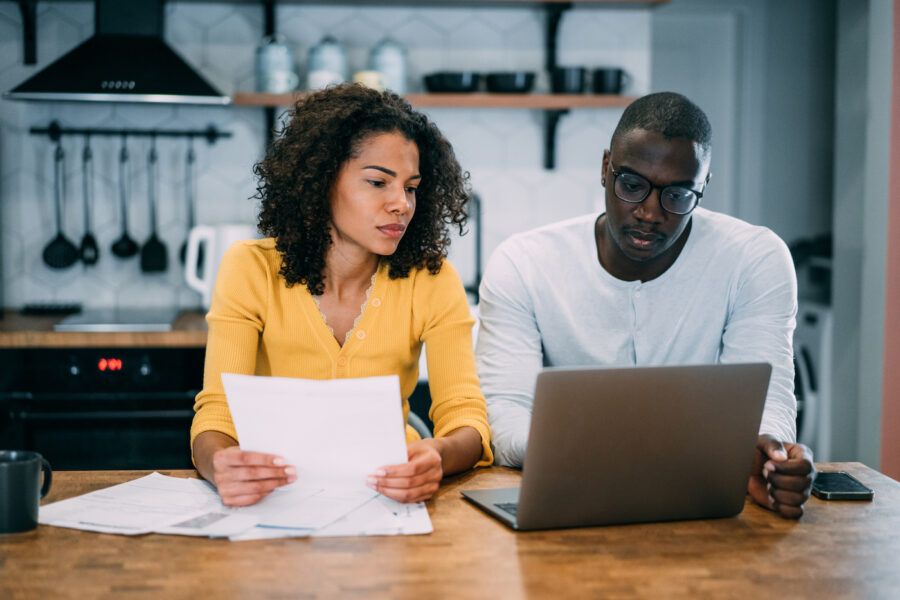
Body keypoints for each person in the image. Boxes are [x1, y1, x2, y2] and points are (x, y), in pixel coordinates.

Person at [477, 92, 815, 519]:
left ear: (703, 187)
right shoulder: (525, 263)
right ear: (605, 168)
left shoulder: (755, 259)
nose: (650, 213)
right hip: (568, 505)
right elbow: (504, 411)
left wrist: (771, 456)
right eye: (632, 186)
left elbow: (768, 399)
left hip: (701, 511)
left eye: (677, 195)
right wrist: (592, 454)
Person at [191, 84, 492, 507]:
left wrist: (436, 456)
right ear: (319, 179)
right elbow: (217, 413)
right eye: (377, 182)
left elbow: (466, 418)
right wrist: (221, 463)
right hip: (273, 499)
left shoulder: (432, 279)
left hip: (388, 497)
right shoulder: (251, 268)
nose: (402, 204)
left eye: (410, 187)